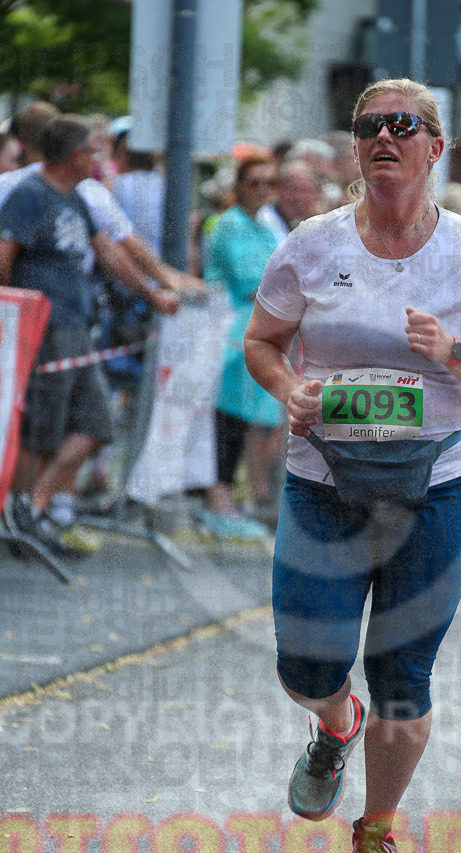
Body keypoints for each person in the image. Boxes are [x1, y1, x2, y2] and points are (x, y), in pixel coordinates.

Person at [244, 79, 461, 853]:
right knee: (305, 662)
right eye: (369, 125)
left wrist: (452, 354)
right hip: (323, 482)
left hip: (436, 484)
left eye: (403, 125)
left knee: (404, 673)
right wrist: (286, 390)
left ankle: (376, 828)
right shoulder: (311, 244)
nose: (383, 137)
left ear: (435, 147)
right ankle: (334, 727)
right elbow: (262, 342)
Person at [0, 115, 178, 555]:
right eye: (93, 151)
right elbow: (3, 256)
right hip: (42, 327)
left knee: (94, 424)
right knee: (40, 429)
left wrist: (151, 293)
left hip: (75, 329)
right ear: (76, 156)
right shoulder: (30, 196)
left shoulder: (75, 197)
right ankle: (21, 520)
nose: (99, 160)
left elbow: (109, 253)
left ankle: (31, 511)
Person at [202, 155, 281, 539]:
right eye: (255, 182)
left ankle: (226, 502)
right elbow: (255, 282)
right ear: (239, 185)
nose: (263, 189)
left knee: (241, 422)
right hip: (232, 335)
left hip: (256, 334)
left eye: (270, 182)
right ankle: (217, 505)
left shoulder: (264, 227)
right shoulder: (230, 225)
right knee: (227, 422)